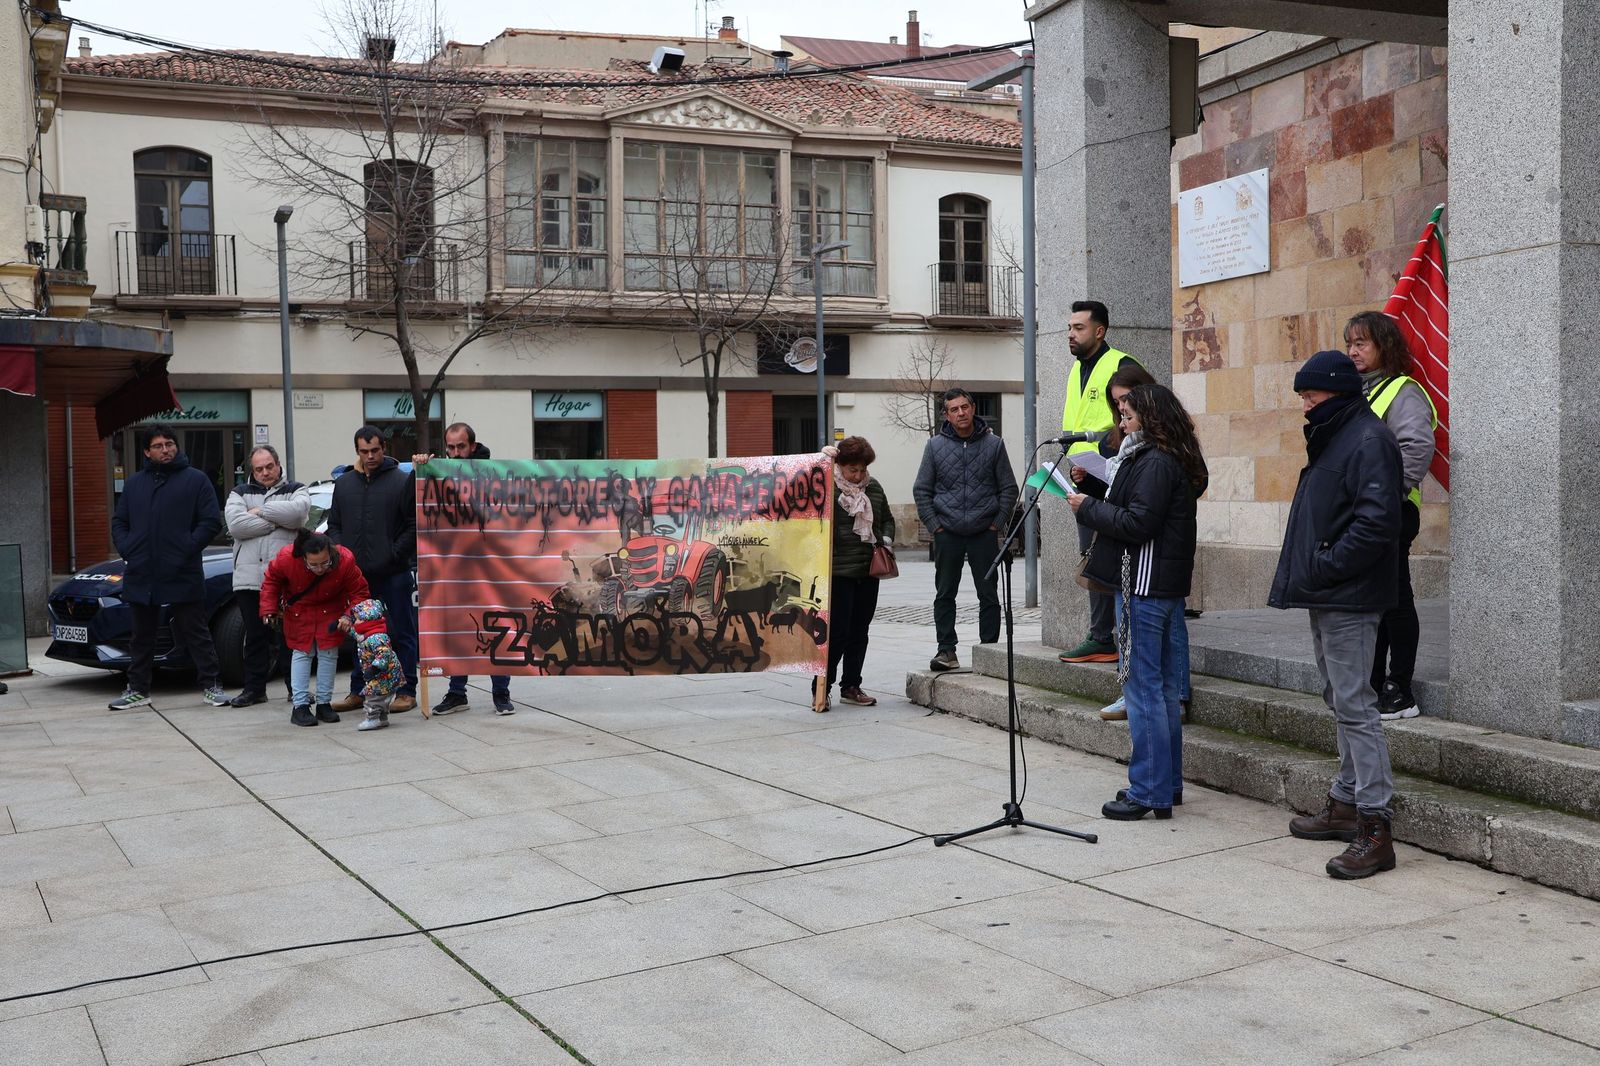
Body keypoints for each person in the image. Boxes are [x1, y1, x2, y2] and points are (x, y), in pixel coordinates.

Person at [1271, 350, 1404, 880]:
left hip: (1348, 593)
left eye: (1312, 395)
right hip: (1330, 591)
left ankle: (1376, 826)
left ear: (1339, 394)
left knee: (1355, 704)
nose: (1305, 404)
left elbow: (1376, 524)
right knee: (1338, 697)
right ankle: (1347, 802)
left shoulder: (1368, 439)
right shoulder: (1338, 433)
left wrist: (1326, 565)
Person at [1068, 384, 1206, 821]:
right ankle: (1166, 785)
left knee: (1144, 691)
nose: (1121, 422)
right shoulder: (1162, 459)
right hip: (1157, 586)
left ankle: (1147, 790)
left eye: (1127, 414)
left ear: (1149, 417)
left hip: (1145, 586)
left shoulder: (1154, 462)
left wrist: (1087, 507)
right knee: (1162, 690)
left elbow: (1137, 522)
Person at [1346, 311, 1437, 721]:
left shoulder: (1402, 391)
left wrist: (1386, 497)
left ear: (1385, 346)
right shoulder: (1358, 392)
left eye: (1361, 343)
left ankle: (1400, 689)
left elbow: (1416, 448)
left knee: (1396, 598)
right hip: (1361, 512)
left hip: (1391, 510)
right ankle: (1373, 682)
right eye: (1349, 343)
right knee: (1374, 600)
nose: (1352, 351)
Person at [108, 424, 230, 710]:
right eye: (159, 445)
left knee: (195, 631)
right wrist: (129, 550)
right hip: (142, 571)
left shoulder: (196, 480)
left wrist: (186, 549)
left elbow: (210, 521)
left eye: (169, 444)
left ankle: (211, 685)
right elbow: (119, 522)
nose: (166, 449)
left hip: (181, 569)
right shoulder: (135, 483)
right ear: (147, 452)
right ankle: (138, 689)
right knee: (141, 636)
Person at [1059, 300, 1143, 665]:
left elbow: (1136, 424)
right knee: (1092, 558)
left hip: (1113, 479)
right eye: (1069, 328)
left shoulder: (1122, 366)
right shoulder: (1076, 370)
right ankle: (1101, 635)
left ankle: (1105, 637)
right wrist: (1079, 465)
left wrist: (1103, 462)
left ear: (1100, 330)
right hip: (1084, 478)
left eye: (1079, 328)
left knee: (1111, 560)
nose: (1071, 335)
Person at [912, 388, 1018, 672]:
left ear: (973, 408)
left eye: (964, 407)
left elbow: (1009, 488)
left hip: (984, 531)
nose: (961, 413)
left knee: (989, 594)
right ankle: (946, 650)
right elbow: (921, 490)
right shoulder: (935, 446)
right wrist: (936, 527)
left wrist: (996, 523)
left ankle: (990, 652)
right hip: (948, 533)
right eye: (954, 409)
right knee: (945, 593)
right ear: (946, 414)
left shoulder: (994, 445)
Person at [414, 422, 514, 716]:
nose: (455, 453)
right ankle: (457, 693)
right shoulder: (440, 472)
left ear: (473, 446)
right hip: (456, 566)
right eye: (451, 447)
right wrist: (422, 470)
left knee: (495, 627)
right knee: (459, 629)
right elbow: (421, 503)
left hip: (490, 565)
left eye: (461, 446)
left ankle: (501, 694)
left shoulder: (493, 474)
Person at [327, 426, 418, 714]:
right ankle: (359, 690)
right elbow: (334, 525)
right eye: (364, 451)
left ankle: (406, 690)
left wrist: (394, 553)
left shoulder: (401, 481)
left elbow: (413, 525)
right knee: (361, 634)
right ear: (357, 451)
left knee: (402, 630)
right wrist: (343, 555)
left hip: (394, 572)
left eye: (375, 450)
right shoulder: (344, 485)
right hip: (357, 577)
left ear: (384, 448)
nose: (370, 456)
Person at [225, 445, 309, 707]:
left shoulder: (296, 489)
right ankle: (254, 690)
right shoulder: (239, 492)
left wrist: (260, 512)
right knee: (255, 637)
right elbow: (236, 525)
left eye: (269, 466)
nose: (265, 472)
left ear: (278, 464)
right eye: (259, 468)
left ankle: (296, 690)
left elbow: (298, 515)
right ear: (252, 470)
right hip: (249, 579)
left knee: (288, 638)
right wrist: (277, 520)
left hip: (286, 579)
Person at [259, 530, 369, 727]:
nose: (320, 568)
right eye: (314, 564)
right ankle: (300, 706)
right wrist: (268, 608)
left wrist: (348, 615)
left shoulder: (345, 560)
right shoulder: (286, 558)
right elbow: (271, 581)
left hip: (331, 610)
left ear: (331, 554)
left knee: (329, 654)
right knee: (302, 653)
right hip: (300, 611)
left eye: (324, 563)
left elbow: (359, 592)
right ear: (303, 557)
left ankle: (324, 704)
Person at [818, 436, 895, 711]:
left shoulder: (873, 488)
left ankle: (851, 685)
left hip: (867, 571)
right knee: (836, 632)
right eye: (852, 469)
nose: (858, 475)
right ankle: (821, 688)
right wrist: (820, 461)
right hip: (838, 572)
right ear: (840, 466)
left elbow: (887, 518)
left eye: (862, 469)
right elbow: (799, 493)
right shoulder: (826, 486)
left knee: (859, 631)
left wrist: (885, 538)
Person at [345, 598, 405, 732]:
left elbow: (384, 653)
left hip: (383, 674)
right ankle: (382, 718)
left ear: (369, 621)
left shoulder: (377, 637)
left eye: (358, 620)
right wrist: (346, 628)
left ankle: (372, 718)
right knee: (381, 697)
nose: (356, 622)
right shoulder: (367, 634)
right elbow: (357, 636)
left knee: (373, 697)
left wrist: (374, 668)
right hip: (383, 674)